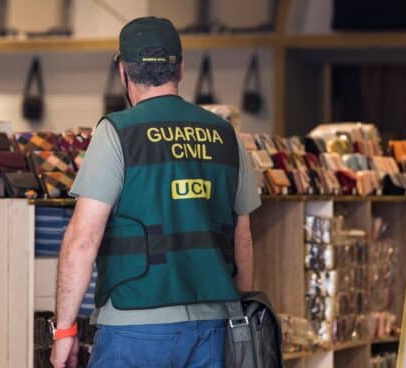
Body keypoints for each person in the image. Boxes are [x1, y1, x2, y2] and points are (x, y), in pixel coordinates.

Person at [50, 16, 261, 368]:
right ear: (180, 68)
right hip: (212, 327)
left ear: (123, 71)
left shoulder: (117, 133)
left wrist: (65, 331)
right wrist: (237, 316)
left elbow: (82, 240)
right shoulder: (225, 135)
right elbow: (244, 240)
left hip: (135, 326)